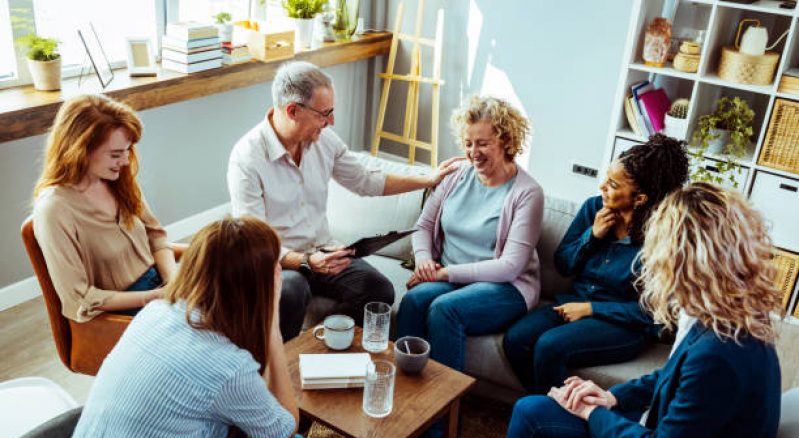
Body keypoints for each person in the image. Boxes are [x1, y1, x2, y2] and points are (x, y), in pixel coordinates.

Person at [492, 183, 783, 438]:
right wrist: (611, 396)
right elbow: (671, 376)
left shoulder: (719, 353)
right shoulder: (733, 313)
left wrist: (591, 411)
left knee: (532, 429)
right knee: (532, 411)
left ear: (683, 259)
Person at [48, 217, 307, 438]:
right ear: (259, 286)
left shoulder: (153, 314)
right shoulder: (228, 367)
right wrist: (272, 328)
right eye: (276, 271)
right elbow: (284, 431)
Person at [227, 61, 458, 340]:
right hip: (279, 262)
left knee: (379, 290)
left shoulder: (324, 141)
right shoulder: (247, 158)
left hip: (324, 251)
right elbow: (254, 244)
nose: (331, 121)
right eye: (325, 113)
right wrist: (307, 261)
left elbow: (366, 180)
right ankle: (282, 368)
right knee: (291, 290)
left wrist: (429, 178)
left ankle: (321, 345)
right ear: (293, 111)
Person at [502, 133, 689, 396]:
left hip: (625, 326)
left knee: (550, 346)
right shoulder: (593, 209)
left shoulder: (662, 237)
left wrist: (592, 309)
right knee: (516, 340)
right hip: (573, 302)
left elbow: (651, 313)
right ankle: (552, 409)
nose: (602, 187)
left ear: (639, 198)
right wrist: (592, 236)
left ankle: (551, 418)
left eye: (613, 184)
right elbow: (563, 264)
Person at [396, 95, 544, 394]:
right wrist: (425, 260)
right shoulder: (456, 177)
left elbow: (510, 266)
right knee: (413, 300)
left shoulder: (528, 193)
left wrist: (444, 274)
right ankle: (407, 401)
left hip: (505, 287)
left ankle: (440, 427)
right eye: (468, 143)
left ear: (506, 141)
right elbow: (423, 225)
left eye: (483, 143)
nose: (473, 152)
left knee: (444, 310)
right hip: (451, 276)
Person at [32, 94, 177, 321]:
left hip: (159, 287)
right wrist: (155, 297)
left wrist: (172, 281)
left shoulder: (118, 179)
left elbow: (156, 237)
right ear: (80, 150)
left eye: (127, 151)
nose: (126, 161)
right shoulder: (55, 210)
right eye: (115, 154)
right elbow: (80, 299)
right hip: (121, 313)